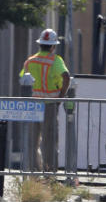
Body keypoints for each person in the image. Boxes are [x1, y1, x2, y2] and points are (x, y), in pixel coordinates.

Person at [21, 27, 71, 173]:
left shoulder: (29, 62)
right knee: (49, 141)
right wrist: (60, 97)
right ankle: (49, 174)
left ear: (40, 44)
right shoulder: (55, 60)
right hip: (49, 105)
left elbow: (23, 79)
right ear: (53, 46)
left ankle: (33, 173)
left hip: (32, 106)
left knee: (32, 142)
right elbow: (66, 76)